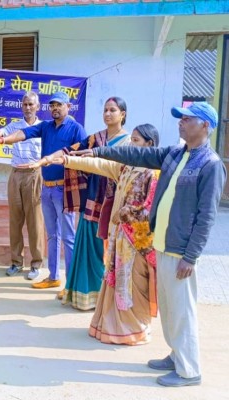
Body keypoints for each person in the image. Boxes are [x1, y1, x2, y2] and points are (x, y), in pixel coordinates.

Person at [78, 102, 226, 387]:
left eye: (187, 119)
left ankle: (189, 371)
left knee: (182, 311)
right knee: (170, 309)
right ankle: (176, 355)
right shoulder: (175, 154)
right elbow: (135, 154)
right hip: (162, 244)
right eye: (180, 119)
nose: (181, 122)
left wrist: (191, 257)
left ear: (205, 125)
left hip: (181, 251)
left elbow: (207, 217)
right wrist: (98, 151)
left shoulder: (210, 164)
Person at [52, 124, 160, 344]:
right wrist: (66, 160)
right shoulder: (126, 167)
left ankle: (134, 330)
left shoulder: (153, 172)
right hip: (119, 236)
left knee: (133, 283)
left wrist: (126, 213)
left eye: (136, 141)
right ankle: (111, 326)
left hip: (138, 242)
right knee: (116, 278)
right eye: (131, 140)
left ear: (149, 144)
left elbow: (151, 208)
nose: (131, 144)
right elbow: (99, 164)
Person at [26, 97, 131, 309]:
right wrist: (48, 159)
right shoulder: (94, 138)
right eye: (105, 110)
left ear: (123, 114)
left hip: (114, 203)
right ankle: (84, 295)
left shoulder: (128, 142)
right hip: (91, 200)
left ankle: (108, 297)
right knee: (87, 248)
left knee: (109, 251)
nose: (107, 114)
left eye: (112, 110)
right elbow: (69, 151)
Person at [0, 91, 87, 289]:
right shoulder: (46, 127)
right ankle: (53, 277)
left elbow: (84, 155)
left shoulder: (76, 129)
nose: (55, 108)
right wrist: (2, 140)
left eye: (59, 105)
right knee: (52, 235)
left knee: (68, 237)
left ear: (68, 107)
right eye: (52, 105)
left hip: (65, 189)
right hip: (47, 188)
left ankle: (71, 285)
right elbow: (23, 134)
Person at [0, 91, 44, 280]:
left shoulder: (43, 127)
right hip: (15, 175)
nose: (28, 108)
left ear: (38, 107)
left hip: (34, 175)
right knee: (15, 221)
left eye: (31, 104)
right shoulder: (15, 125)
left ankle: (36, 264)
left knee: (35, 222)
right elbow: (0, 133)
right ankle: (16, 262)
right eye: (25, 104)